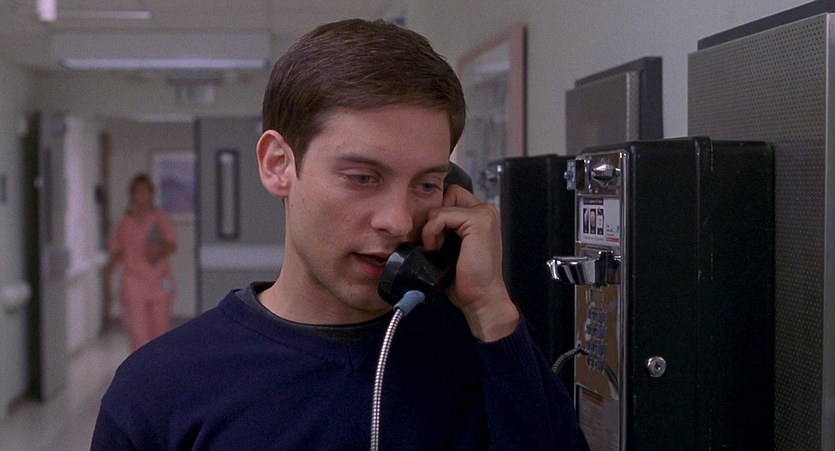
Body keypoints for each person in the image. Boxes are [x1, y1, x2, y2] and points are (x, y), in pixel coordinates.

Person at [92, 19, 587, 450]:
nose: (397, 221)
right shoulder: (162, 387)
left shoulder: (487, 354)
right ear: (278, 165)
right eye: (362, 178)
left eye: (426, 185)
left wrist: (492, 310)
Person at [105, 173, 177, 352]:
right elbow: (117, 253)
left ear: (151, 194)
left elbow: (172, 245)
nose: (142, 196)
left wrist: (159, 249)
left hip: (159, 282)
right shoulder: (125, 223)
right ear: (132, 195)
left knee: (161, 331)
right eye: (137, 192)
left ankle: (161, 367)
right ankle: (142, 368)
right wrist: (106, 279)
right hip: (133, 283)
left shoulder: (161, 219)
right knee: (138, 333)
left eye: (145, 191)